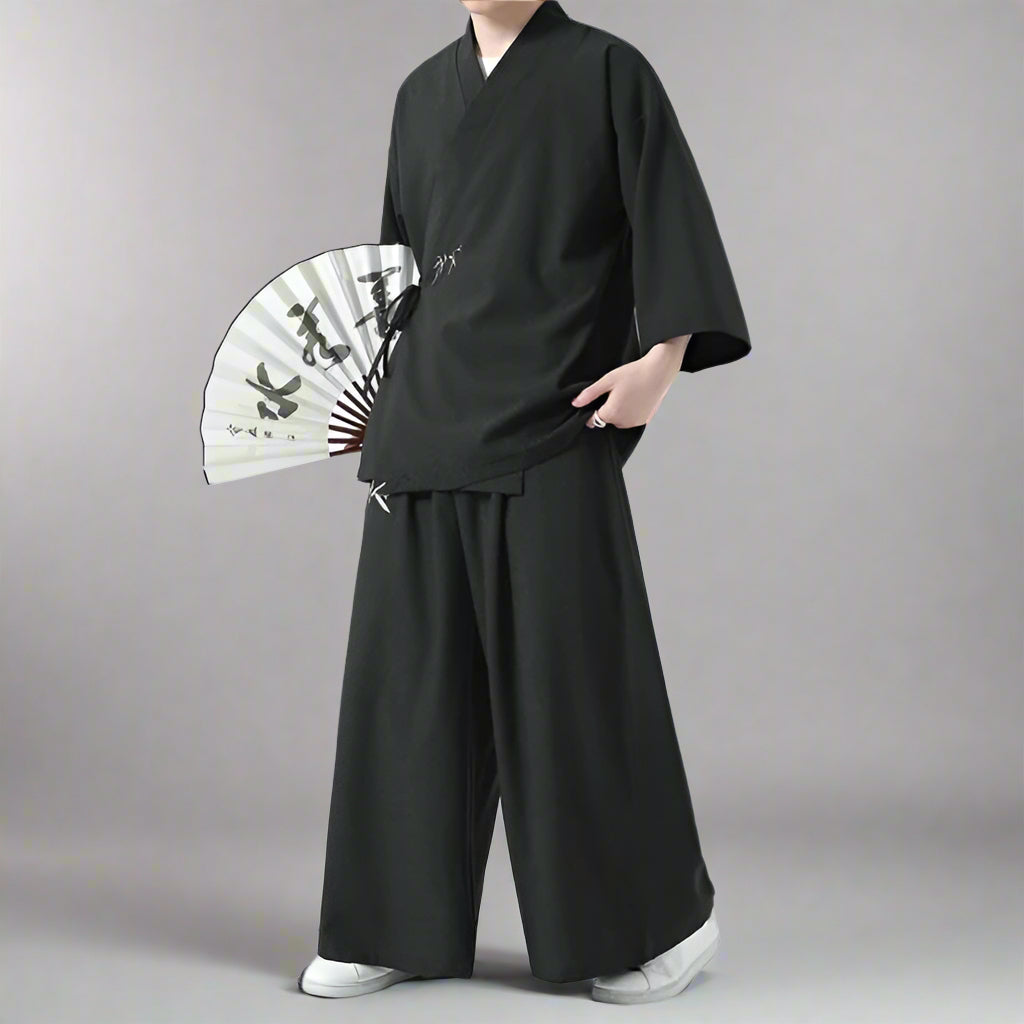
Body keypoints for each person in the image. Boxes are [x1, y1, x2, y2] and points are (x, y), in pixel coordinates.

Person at [299, 0, 750, 1004]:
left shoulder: (608, 72)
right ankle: (389, 925)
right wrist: (379, 401)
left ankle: (662, 924)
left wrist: (661, 363)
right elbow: (399, 269)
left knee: (577, 687)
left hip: (554, 415)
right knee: (405, 692)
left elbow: (670, 215)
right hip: (422, 426)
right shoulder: (421, 95)